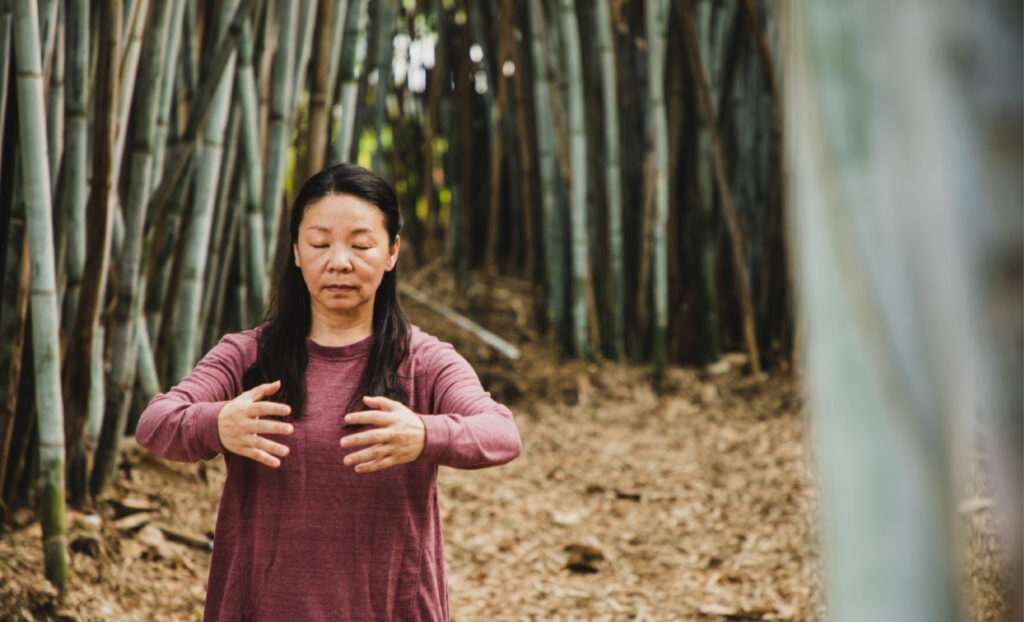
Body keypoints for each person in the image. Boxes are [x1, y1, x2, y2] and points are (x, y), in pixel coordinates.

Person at [136, 163, 522, 621]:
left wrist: (423, 434)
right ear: (297, 252)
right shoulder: (247, 356)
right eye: (320, 244)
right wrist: (217, 424)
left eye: (361, 245)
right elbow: (154, 424)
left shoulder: (423, 360)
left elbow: (501, 433)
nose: (339, 261)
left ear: (392, 252)